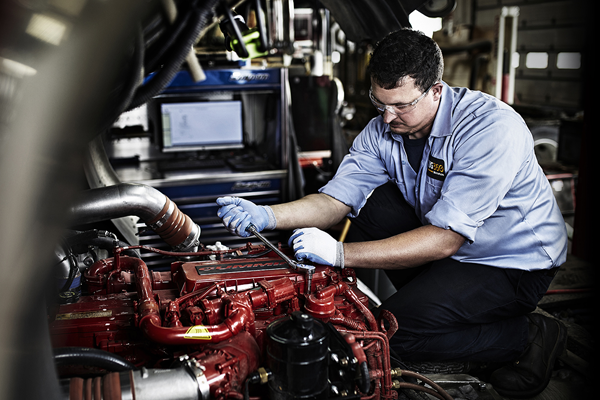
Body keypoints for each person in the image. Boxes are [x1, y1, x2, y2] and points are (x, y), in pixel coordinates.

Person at [216, 28, 568, 398]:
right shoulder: (381, 130)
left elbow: (446, 238)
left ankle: (527, 336)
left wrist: (340, 254)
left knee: (390, 336)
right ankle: (430, 309)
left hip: (514, 262)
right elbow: (336, 201)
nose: (387, 118)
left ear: (436, 90)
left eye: (401, 105)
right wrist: (266, 215)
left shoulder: (490, 129)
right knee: (372, 208)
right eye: (379, 101)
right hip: (455, 250)